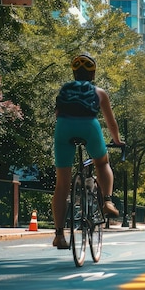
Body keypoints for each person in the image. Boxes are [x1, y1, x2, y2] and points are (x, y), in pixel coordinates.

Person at [51, 53, 124, 249]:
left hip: (63, 128)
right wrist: (117, 140)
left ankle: (59, 235)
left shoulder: (64, 90)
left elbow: (58, 113)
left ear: (74, 73)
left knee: (62, 186)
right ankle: (108, 200)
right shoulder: (99, 93)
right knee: (102, 163)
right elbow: (111, 122)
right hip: (89, 127)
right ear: (93, 74)